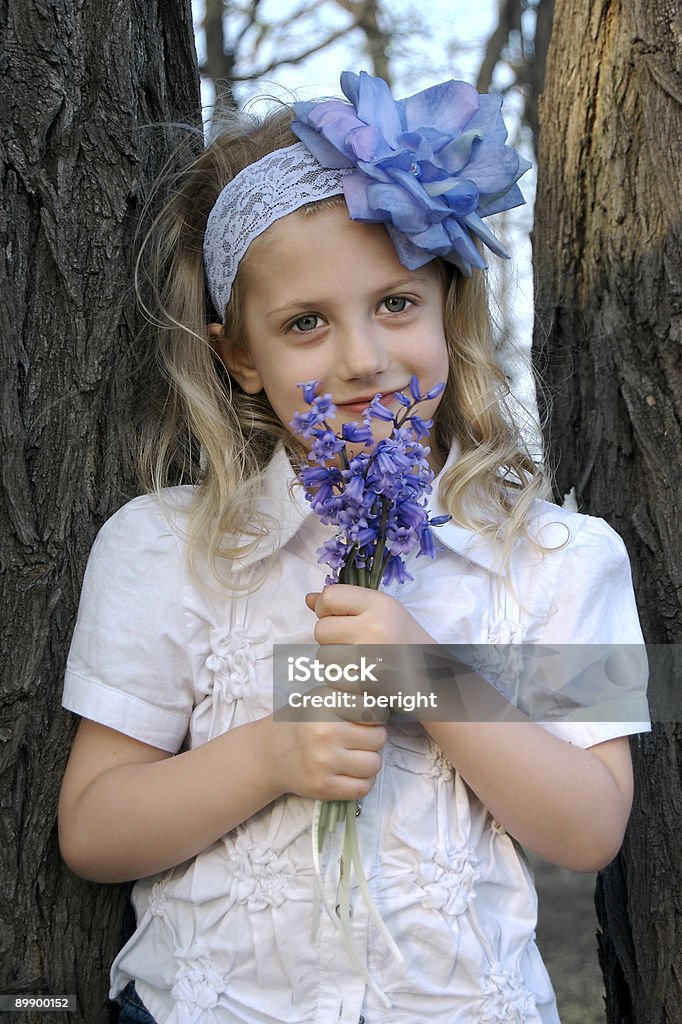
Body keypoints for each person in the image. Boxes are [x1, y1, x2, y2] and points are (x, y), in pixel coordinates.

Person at [58, 71, 649, 1024]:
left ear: (446, 305)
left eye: (396, 304)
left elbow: (591, 828)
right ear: (239, 353)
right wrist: (269, 755)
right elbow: (91, 828)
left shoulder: (565, 555)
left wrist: (427, 676)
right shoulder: (165, 547)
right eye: (304, 323)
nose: (362, 358)